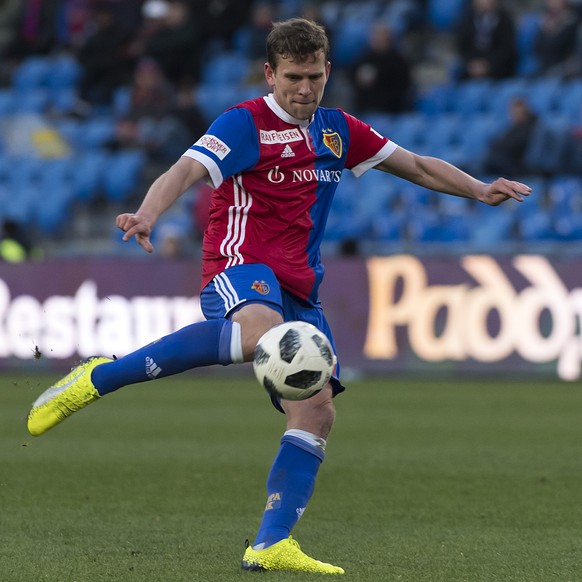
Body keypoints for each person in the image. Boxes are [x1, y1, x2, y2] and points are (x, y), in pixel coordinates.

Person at [27, 18, 531, 575]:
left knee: (316, 411)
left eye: (314, 76)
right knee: (259, 331)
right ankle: (99, 378)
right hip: (240, 263)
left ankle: (269, 543)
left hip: (302, 285)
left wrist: (479, 189)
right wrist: (148, 213)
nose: (304, 89)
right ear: (270, 73)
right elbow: (186, 169)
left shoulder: (338, 130)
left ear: (327, 71)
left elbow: (414, 165)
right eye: (293, 77)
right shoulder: (244, 124)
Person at [351, 22, 413, 114]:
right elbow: (354, 80)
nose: (376, 38)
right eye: (374, 34)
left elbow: (402, 87)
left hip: (390, 112)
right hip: (365, 110)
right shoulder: (363, 59)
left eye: (380, 35)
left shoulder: (398, 61)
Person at [455, 0, 517, 80]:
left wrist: (488, 65)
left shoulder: (505, 21)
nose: (483, 2)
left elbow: (506, 49)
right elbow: (462, 47)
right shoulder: (466, 21)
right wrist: (472, 64)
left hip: (498, 68)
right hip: (472, 65)